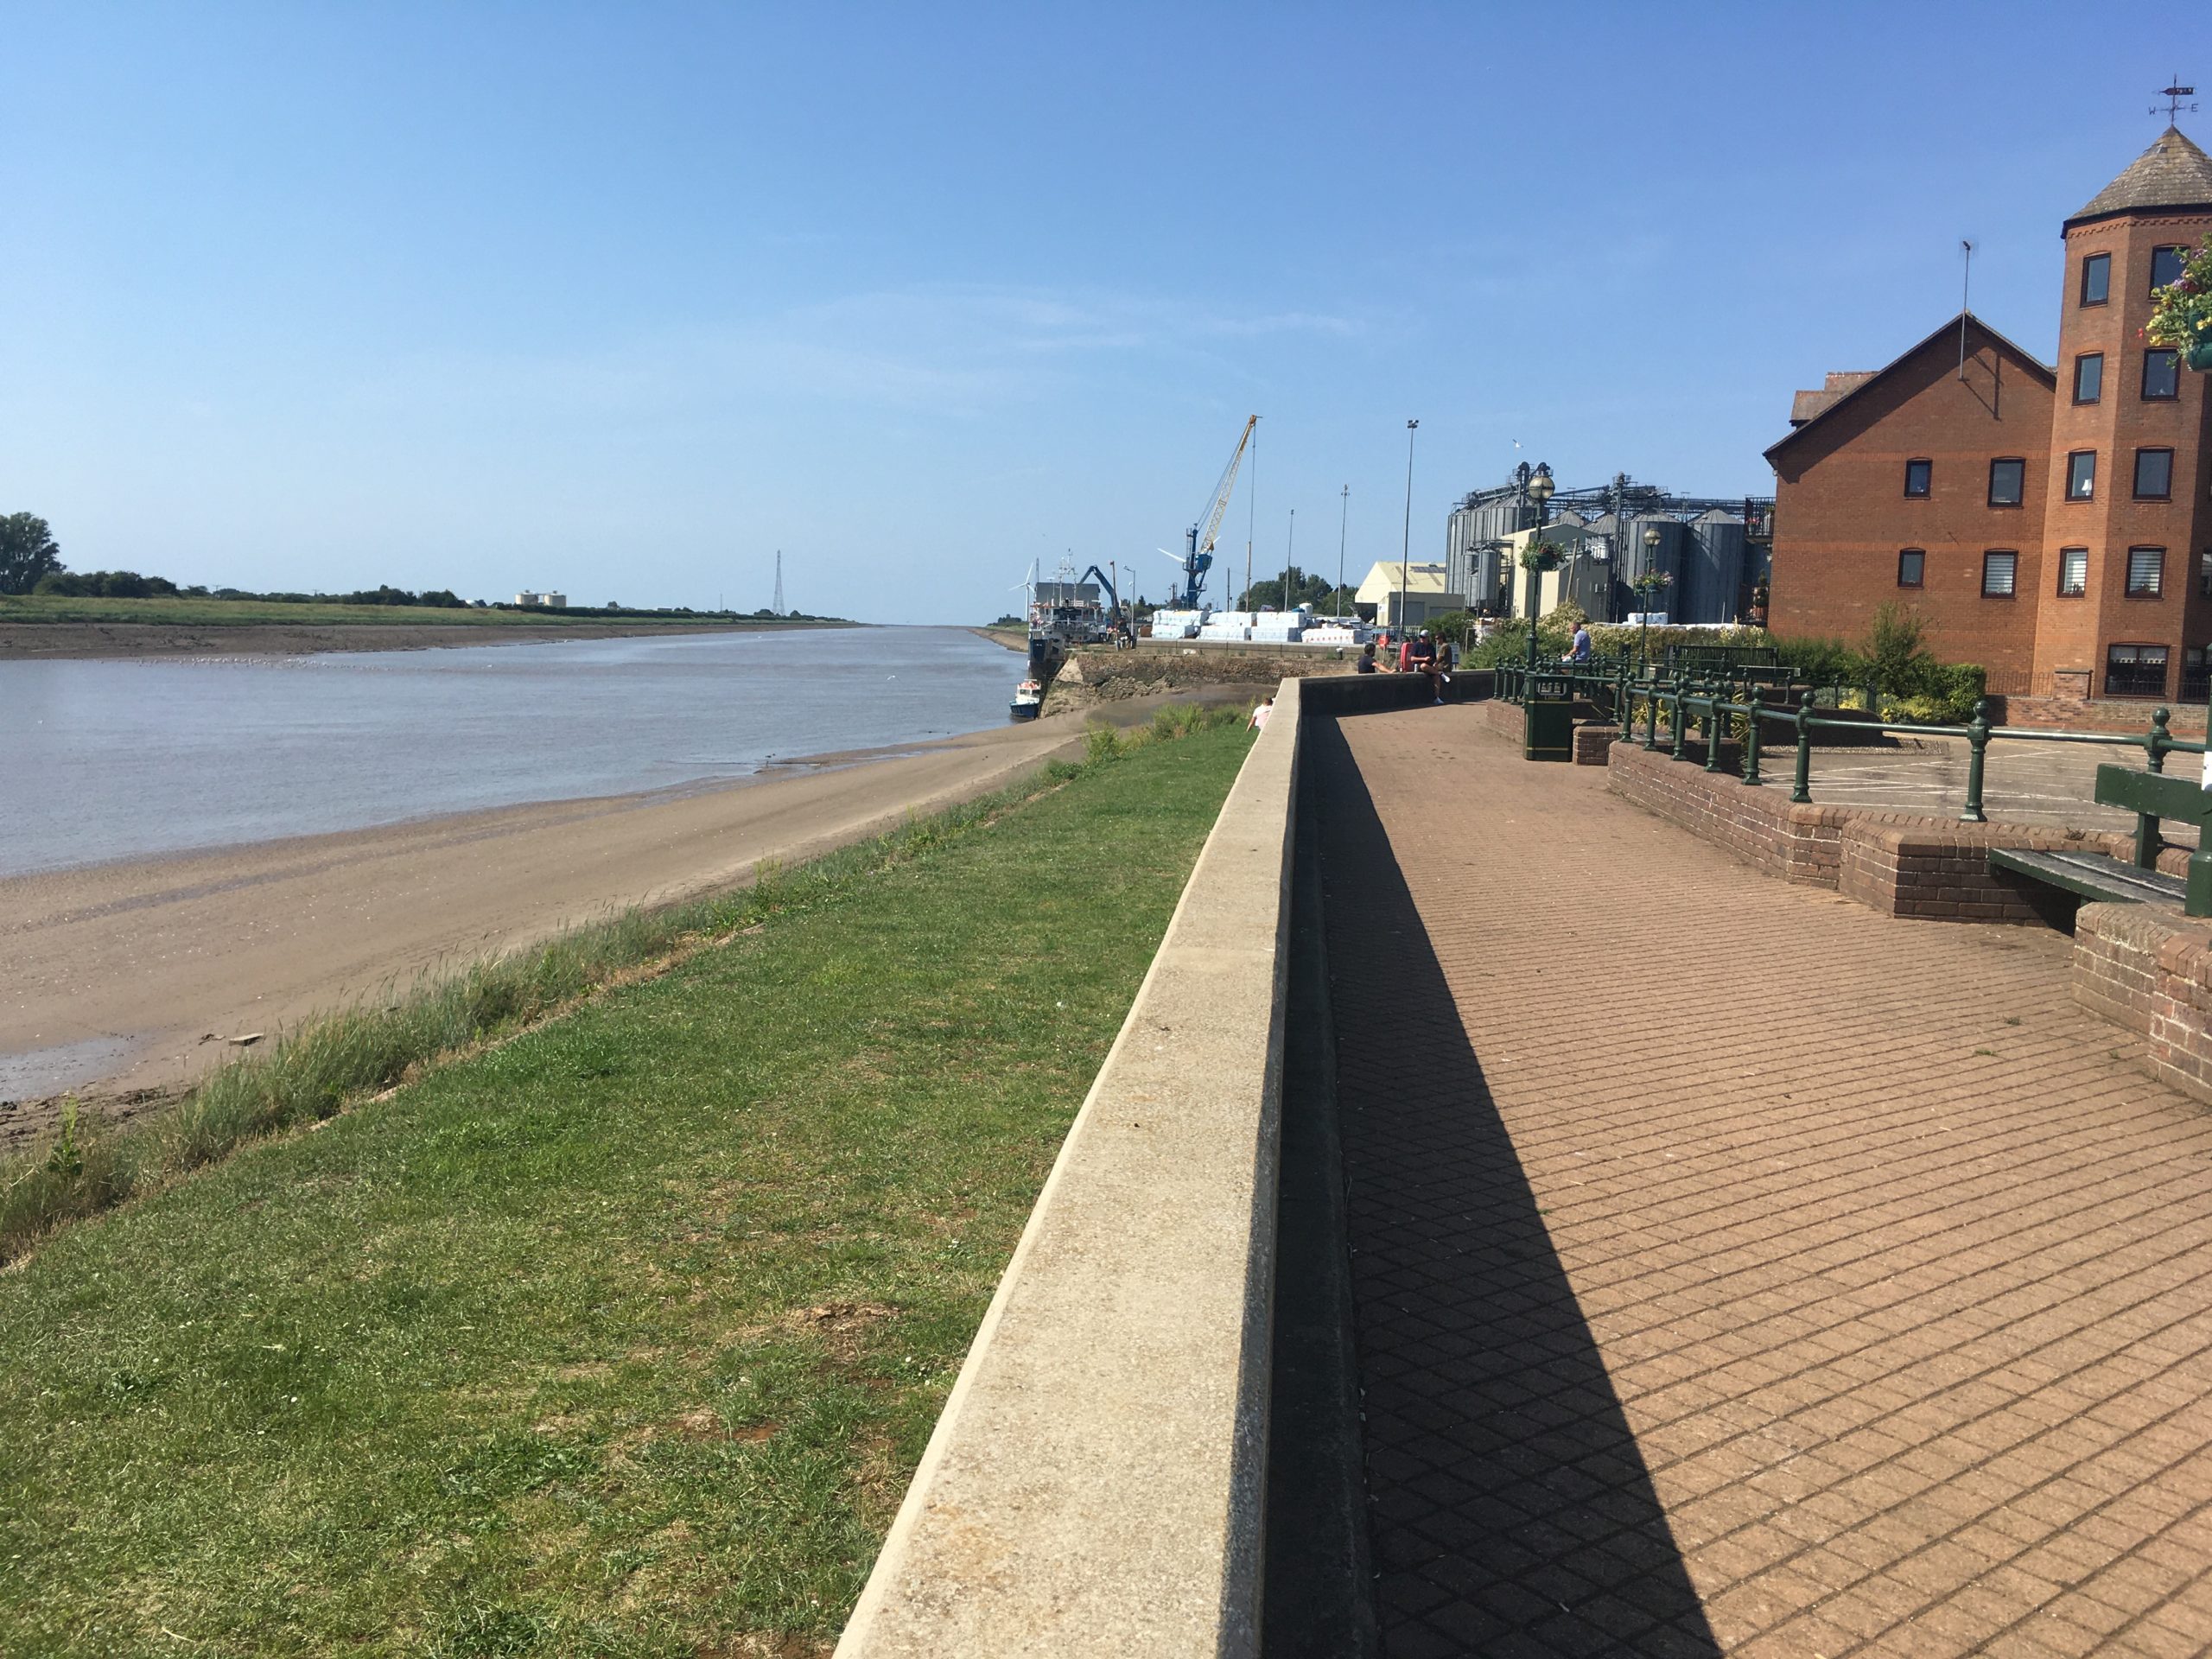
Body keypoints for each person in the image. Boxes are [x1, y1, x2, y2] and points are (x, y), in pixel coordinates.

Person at [1407, 628, 1441, 704]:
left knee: (1437, 678)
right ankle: (1439, 673)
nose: (1421, 639)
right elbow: (1412, 658)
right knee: (1423, 666)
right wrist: (1424, 658)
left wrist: (1435, 664)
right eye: (1421, 637)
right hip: (1419, 665)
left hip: (1430, 667)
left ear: (1428, 638)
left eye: (1423, 637)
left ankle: (1436, 698)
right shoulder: (1416, 645)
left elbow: (1434, 659)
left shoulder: (1431, 646)